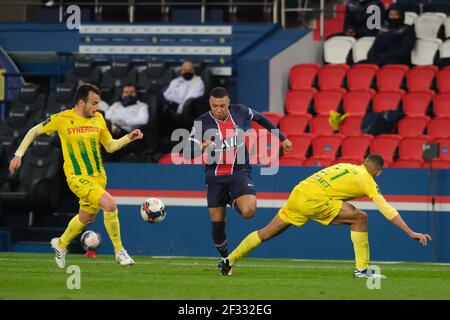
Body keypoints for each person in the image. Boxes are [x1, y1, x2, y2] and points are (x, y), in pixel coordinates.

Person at [218, 154, 431, 278]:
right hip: (314, 200)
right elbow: (387, 209)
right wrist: (410, 231)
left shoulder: (346, 166)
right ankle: (362, 269)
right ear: (379, 172)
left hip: (298, 193)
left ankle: (229, 260)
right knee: (360, 218)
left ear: (363, 162)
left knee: (266, 233)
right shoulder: (367, 180)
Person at [9, 83, 144, 269]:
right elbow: (34, 131)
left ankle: (61, 243)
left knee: (86, 218)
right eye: (94, 103)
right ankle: (120, 251)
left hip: (98, 177)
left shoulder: (98, 119)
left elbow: (110, 146)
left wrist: (129, 138)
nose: (97, 108)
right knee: (110, 204)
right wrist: (18, 155)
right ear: (81, 102)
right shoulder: (62, 118)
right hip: (77, 177)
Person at [185, 87, 292, 260]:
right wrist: (200, 147)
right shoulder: (202, 122)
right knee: (217, 224)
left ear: (228, 102)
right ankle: (226, 259)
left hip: (239, 171)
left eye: (222, 105)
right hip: (215, 175)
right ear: (209, 103)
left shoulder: (240, 111)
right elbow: (187, 152)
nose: (219, 110)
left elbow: (260, 118)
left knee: (249, 211)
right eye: (215, 106)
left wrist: (282, 137)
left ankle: (229, 198)